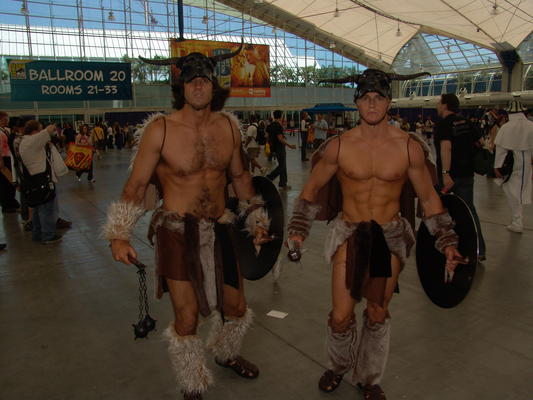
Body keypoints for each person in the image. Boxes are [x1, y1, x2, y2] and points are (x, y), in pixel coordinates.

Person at [103, 47, 272, 400]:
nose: (198, 86)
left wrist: (257, 219)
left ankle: (226, 353)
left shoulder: (228, 127)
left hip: (221, 228)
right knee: (187, 318)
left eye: (204, 80)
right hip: (178, 234)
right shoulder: (161, 130)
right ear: (181, 87)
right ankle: (193, 381)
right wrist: (119, 234)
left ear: (214, 85)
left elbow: (240, 178)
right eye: (191, 80)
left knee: (236, 307)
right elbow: (136, 186)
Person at [286, 69, 463, 400]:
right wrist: (298, 230)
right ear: (356, 102)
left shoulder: (407, 147)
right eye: (365, 98)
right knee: (341, 316)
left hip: (386, 238)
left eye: (378, 98)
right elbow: (311, 189)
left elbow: (428, 198)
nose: (371, 104)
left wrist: (447, 241)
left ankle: (368, 376)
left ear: (388, 102)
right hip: (349, 235)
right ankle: (338, 365)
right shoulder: (339, 146)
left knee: (377, 312)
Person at [434, 93, 486, 261]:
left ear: (445, 105)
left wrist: (445, 173)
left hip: (450, 177)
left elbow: (446, 148)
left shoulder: (444, 124)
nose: (437, 106)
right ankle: (479, 249)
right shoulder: (467, 122)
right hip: (467, 175)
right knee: (469, 212)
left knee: (439, 210)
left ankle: (443, 247)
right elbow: (482, 143)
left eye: (439, 103)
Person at [18, 120, 62, 244]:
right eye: (39, 129)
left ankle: (37, 234)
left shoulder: (24, 142)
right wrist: (53, 125)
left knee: (38, 209)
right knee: (47, 209)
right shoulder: (32, 141)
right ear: (34, 131)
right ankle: (48, 235)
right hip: (42, 179)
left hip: (34, 180)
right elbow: (49, 130)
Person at [494, 101, 533, 233]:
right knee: (519, 190)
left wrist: (497, 166)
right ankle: (517, 220)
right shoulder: (530, 126)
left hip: (510, 162)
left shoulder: (506, 127)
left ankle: (517, 221)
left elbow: (500, 149)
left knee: (512, 190)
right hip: (525, 160)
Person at [265, 110, 296, 189]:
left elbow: (266, 136)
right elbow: (280, 139)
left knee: (283, 166)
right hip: (280, 148)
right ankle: (269, 178)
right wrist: (290, 145)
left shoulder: (270, 125)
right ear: (281, 116)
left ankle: (283, 183)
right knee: (282, 166)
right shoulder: (278, 126)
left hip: (274, 148)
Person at [0, 111, 20, 213]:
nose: (6, 121)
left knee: (10, 181)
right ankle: (6, 204)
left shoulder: (5, 130)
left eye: (7, 119)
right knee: (5, 182)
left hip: (8, 158)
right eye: (4, 119)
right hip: (4, 159)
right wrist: (1, 161)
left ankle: (11, 201)